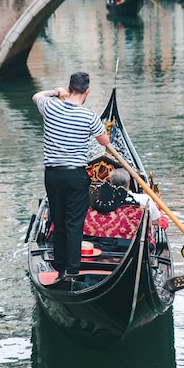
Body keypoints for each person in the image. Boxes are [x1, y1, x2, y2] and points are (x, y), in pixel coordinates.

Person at [33, 72, 110, 280]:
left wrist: (57, 93)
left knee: (58, 221)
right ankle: (73, 271)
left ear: (69, 88)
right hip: (76, 177)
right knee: (74, 224)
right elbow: (104, 142)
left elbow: (37, 96)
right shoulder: (89, 116)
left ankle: (59, 269)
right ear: (87, 91)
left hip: (53, 176)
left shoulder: (50, 106)